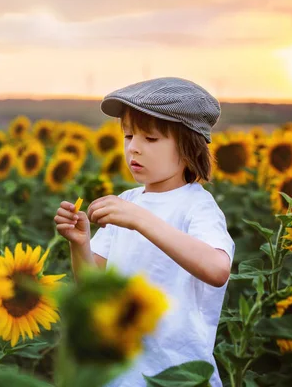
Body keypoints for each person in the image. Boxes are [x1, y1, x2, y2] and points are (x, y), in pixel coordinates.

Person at [54, 77, 235, 387]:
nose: (134, 148)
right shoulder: (127, 202)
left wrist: (141, 219)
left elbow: (218, 269)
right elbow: (92, 285)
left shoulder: (196, 206)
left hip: (178, 374)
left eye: (150, 139)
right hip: (120, 373)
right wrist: (80, 244)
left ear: (189, 147)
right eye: (128, 136)